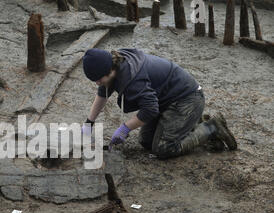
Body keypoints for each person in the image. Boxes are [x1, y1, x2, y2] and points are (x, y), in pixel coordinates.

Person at [81, 48, 237, 158]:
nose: (97, 83)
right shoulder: (115, 64)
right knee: (146, 141)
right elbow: (102, 94)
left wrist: (125, 128)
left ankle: (211, 127)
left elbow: (150, 110)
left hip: (187, 98)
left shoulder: (132, 78)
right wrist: (89, 123)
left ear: (110, 70)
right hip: (166, 100)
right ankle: (192, 123)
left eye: (99, 80)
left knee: (164, 148)